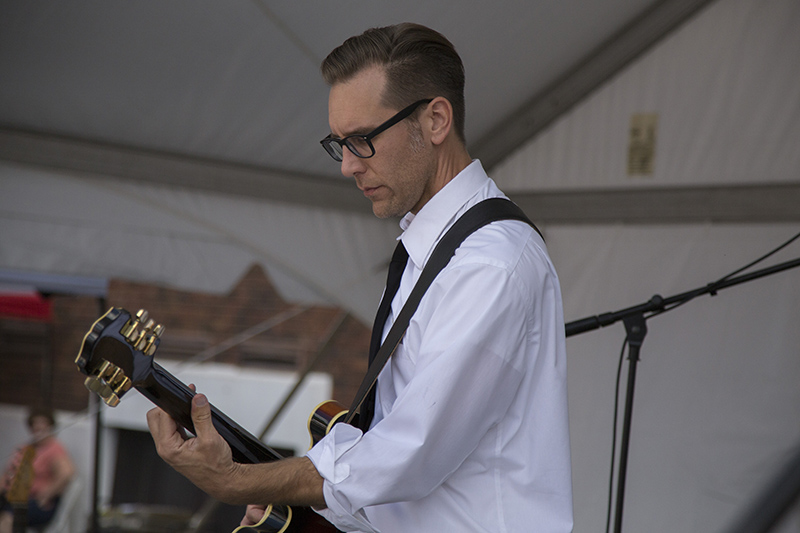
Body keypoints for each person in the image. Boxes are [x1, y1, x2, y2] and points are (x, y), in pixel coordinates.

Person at [147, 22, 573, 532]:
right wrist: (305, 504)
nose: (347, 166)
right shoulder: (435, 249)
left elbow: (405, 456)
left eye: (362, 140)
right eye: (338, 143)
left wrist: (235, 479)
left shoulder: (489, 264)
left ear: (436, 120)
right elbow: (391, 471)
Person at [0, 407, 76, 533]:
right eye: (35, 423)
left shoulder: (54, 449)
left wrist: (46, 494)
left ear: (50, 426)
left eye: (43, 423)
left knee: (8, 518)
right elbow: (8, 473)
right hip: (11, 497)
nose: (38, 428)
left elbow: (67, 473)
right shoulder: (26, 448)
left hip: (34, 503)